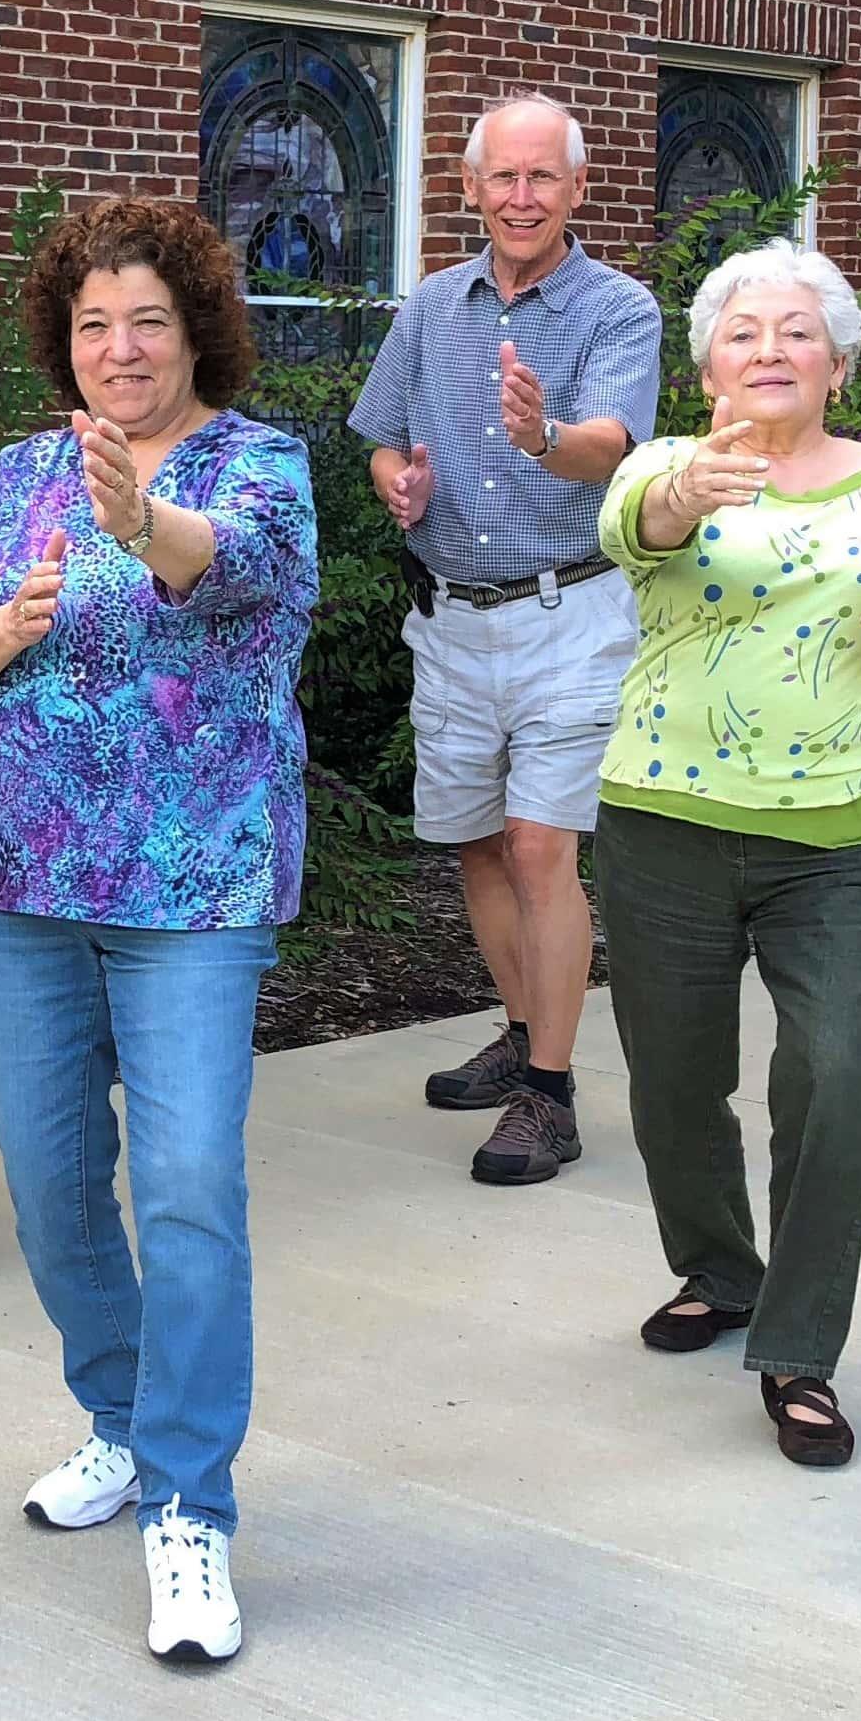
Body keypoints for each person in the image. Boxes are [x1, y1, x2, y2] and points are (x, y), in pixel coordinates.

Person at [0, 199, 317, 1667]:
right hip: (24, 881)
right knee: (56, 1179)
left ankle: (191, 1504)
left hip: (195, 888)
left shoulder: (260, 464)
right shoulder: (20, 473)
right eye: (93, 325)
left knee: (192, 1181)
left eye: (147, 319)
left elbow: (255, 578)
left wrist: (146, 524)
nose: (121, 347)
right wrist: (6, 628)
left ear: (196, 324)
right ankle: (123, 1418)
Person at [592, 240, 861, 1468]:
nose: (770, 351)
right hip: (663, 821)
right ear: (707, 361)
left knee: (832, 1081)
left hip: (844, 834)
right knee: (672, 1083)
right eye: (742, 333)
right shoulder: (672, 467)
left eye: (796, 332)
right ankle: (718, 1268)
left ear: (838, 360)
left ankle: (800, 1347)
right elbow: (634, 529)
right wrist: (690, 488)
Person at [348, 96, 663, 1187]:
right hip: (451, 621)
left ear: (579, 191)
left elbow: (614, 453)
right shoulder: (433, 307)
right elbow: (383, 440)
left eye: (543, 178)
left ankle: (553, 1094)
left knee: (539, 846)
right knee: (478, 841)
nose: (521, 197)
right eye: (503, 178)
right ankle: (526, 1032)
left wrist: (544, 436)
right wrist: (398, 479)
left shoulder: (619, 310)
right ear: (470, 189)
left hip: (569, 614)